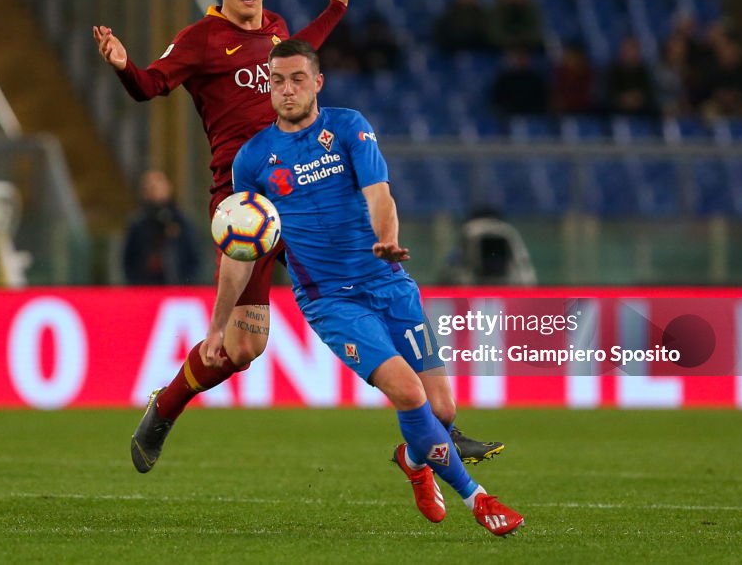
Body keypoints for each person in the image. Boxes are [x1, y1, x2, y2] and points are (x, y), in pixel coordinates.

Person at [94, 0, 495, 473]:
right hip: (248, 205)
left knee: (372, 285)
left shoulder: (277, 29)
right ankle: (164, 407)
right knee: (243, 350)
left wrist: (334, 9)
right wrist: (123, 67)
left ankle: (438, 424)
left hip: (304, 190)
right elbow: (151, 85)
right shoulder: (201, 40)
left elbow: (300, 58)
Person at [203, 39, 523, 536]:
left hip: (388, 284)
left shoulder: (349, 126)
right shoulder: (253, 159)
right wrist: (218, 325)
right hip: (331, 300)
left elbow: (380, 194)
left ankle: (413, 459)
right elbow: (240, 250)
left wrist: (388, 239)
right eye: (278, 81)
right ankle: (479, 500)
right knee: (409, 393)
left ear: (317, 83)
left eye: (298, 80)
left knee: (441, 410)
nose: (287, 90)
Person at [122, 170, 200, 285]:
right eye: (149, 187)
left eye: (157, 185)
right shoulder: (137, 224)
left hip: (177, 288)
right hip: (144, 289)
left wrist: (186, 283)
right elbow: (128, 260)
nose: (154, 190)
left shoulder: (181, 222)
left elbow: (194, 257)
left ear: (168, 187)